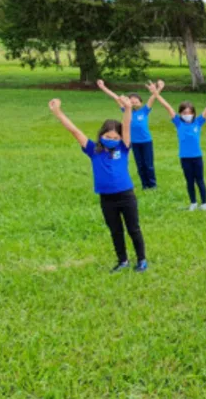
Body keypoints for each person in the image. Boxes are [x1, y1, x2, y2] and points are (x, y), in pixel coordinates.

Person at [50, 96, 147, 273]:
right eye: (107, 136)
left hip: (126, 195)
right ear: (101, 136)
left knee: (133, 229)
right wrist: (58, 112)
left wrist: (127, 109)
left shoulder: (123, 148)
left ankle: (141, 260)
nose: (111, 139)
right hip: (107, 198)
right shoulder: (93, 150)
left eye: (114, 136)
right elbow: (74, 131)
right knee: (116, 231)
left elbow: (126, 125)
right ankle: (122, 260)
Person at [152, 81, 206, 211]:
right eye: (184, 112)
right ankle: (193, 203)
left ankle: (204, 203)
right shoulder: (178, 123)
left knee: (199, 180)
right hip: (185, 158)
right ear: (180, 114)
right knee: (189, 181)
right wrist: (156, 92)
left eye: (189, 112)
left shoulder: (198, 122)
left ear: (194, 113)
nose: (187, 115)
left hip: (197, 157)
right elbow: (167, 107)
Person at [97, 79, 163, 190]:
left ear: (140, 103)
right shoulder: (126, 111)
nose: (133, 103)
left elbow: (153, 97)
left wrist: (159, 88)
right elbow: (115, 97)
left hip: (146, 142)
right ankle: (144, 185)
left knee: (148, 164)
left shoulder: (145, 111)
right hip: (134, 143)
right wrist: (103, 87)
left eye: (136, 101)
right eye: (131, 102)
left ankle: (152, 185)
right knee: (140, 165)